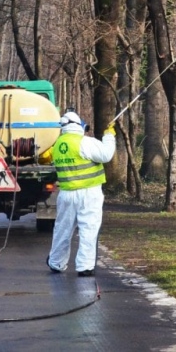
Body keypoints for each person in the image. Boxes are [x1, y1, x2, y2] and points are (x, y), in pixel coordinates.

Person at [46, 110, 115, 276]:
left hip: (67, 193)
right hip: (89, 193)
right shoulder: (85, 142)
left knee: (62, 229)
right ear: (79, 125)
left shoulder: (57, 146)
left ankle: (56, 262)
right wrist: (109, 136)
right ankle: (84, 267)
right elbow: (106, 155)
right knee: (88, 229)